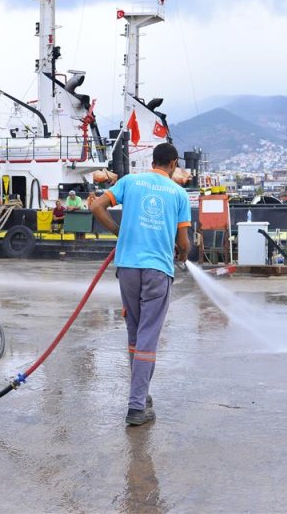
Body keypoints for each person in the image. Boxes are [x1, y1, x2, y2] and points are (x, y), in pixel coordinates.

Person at [91, 142, 191, 426]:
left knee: (135, 335)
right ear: (172, 164)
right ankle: (136, 406)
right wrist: (183, 254)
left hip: (128, 268)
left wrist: (118, 231)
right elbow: (183, 241)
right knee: (148, 337)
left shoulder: (130, 181)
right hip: (157, 270)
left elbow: (97, 206)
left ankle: (141, 394)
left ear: (153, 160)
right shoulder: (178, 192)